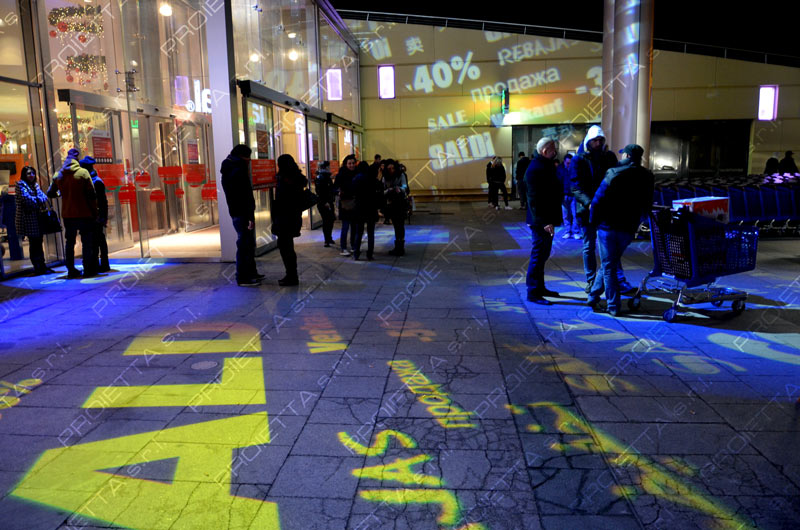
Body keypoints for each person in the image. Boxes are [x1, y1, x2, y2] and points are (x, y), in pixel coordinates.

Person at [587, 144, 655, 316]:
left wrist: (592, 222)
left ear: (626, 155)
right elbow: (647, 203)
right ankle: (593, 296)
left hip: (608, 226)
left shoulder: (613, 173)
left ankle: (613, 306)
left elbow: (597, 200)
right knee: (610, 261)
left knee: (609, 265)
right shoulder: (647, 176)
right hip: (628, 228)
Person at [569, 125, 633, 294]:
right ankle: (591, 280)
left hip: (606, 210)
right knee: (589, 245)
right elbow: (575, 187)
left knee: (611, 247)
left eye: (600, 140)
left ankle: (618, 279)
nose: (597, 143)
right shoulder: (579, 159)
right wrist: (589, 203)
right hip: (587, 210)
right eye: (594, 140)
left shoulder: (608, 157)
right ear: (589, 141)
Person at [48, 148, 98, 278]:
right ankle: (87, 269)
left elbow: (50, 193)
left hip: (68, 214)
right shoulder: (83, 173)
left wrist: (62, 193)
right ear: (77, 159)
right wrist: (95, 212)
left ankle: (71, 269)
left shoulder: (58, 175)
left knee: (69, 243)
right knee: (87, 242)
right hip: (84, 213)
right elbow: (92, 195)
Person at [524, 137, 562, 305]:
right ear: (545, 151)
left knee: (543, 255)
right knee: (538, 256)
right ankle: (533, 292)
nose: (556, 151)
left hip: (546, 220)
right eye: (553, 148)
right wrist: (545, 221)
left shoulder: (544, 165)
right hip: (541, 222)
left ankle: (540, 287)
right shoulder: (535, 169)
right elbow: (534, 199)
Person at [220, 144, 262, 286]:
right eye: (248, 157)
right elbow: (244, 195)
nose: (250, 160)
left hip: (237, 211)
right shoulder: (238, 170)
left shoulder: (229, 168)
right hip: (242, 212)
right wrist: (250, 215)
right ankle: (243, 277)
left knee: (247, 244)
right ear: (242, 157)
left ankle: (250, 272)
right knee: (244, 245)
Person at [14, 166, 56, 275]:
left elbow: (44, 197)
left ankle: (42, 265)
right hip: (28, 219)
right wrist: (37, 200)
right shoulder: (20, 185)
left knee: (38, 242)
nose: (31, 175)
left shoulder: (35, 185)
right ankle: (37, 266)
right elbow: (26, 199)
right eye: (28, 173)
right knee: (34, 243)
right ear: (24, 175)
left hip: (37, 219)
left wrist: (36, 200)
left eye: (33, 173)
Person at [273, 154, 305, 286]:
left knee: (285, 248)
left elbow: (282, 200)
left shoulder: (284, 180)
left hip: (284, 218)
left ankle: (291, 275)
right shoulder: (297, 178)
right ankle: (292, 274)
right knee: (288, 247)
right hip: (294, 217)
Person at [79, 156, 110, 272]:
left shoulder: (95, 182)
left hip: (95, 215)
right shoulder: (95, 180)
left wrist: (103, 217)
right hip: (95, 215)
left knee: (97, 241)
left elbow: (102, 201)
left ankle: (100, 264)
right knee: (99, 240)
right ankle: (102, 264)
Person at [352, 161, 383, 260]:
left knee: (359, 232)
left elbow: (353, 192)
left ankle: (356, 253)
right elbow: (378, 191)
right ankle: (369, 254)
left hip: (359, 208)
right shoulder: (372, 179)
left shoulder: (356, 179)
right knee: (370, 233)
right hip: (371, 208)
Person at [382, 159, 409, 256]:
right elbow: (383, 190)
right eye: (389, 168)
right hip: (391, 204)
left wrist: (399, 189)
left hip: (400, 203)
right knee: (396, 224)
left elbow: (405, 187)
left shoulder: (401, 175)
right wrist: (389, 190)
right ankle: (398, 246)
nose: (391, 170)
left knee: (400, 224)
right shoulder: (385, 177)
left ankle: (400, 247)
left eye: (393, 168)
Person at [335, 154, 357, 256]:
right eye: (349, 163)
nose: (351, 165)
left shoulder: (357, 174)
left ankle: (353, 246)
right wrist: (339, 191)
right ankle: (343, 247)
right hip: (345, 204)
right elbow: (335, 188)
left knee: (354, 227)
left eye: (353, 163)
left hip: (354, 203)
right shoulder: (341, 175)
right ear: (345, 164)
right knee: (345, 226)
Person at [314, 161, 336, 247]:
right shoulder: (322, 177)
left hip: (327, 202)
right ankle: (327, 239)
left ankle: (328, 238)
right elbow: (321, 191)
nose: (329, 168)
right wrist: (325, 202)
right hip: (325, 202)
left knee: (329, 220)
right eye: (328, 167)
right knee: (328, 221)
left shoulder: (324, 176)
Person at [557, 153, 579, 239]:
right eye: (567, 163)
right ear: (564, 162)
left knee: (575, 214)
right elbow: (558, 182)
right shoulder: (560, 169)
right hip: (564, 195)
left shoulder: (574, 169)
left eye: (570, 163)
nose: (569, 164)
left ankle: (575, 232)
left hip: (573, 195)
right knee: (566, 215)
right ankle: (568, 231)